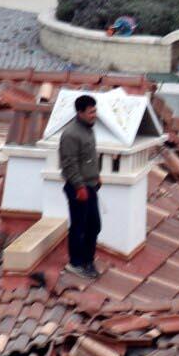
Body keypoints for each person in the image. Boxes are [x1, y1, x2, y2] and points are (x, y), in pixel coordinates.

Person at [60, 94, 103, 279]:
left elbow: (88, 157)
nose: (94, 115)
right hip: (78, 188)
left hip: (90, 185)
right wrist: (79, 186)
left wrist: (96, 175)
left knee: (94, 225)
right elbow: (69, 163)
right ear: (80, 112)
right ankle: (75, 263)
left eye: (95, 111)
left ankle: (88, 260)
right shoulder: (71, 134)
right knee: (79, 226)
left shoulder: (88, 129)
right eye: (91, 112)